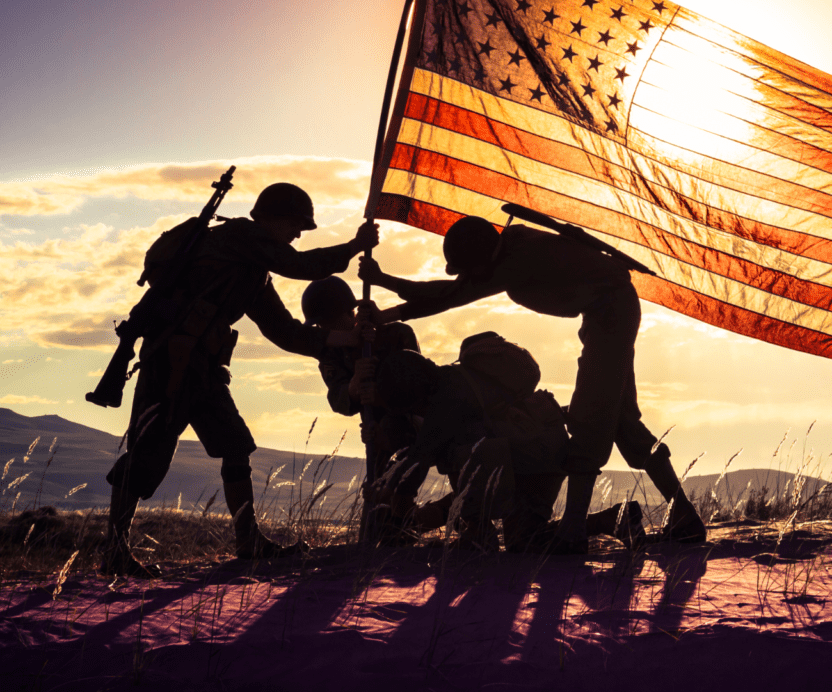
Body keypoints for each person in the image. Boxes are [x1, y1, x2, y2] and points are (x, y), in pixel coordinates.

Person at [359, 216, 705, 553]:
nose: (466, 275)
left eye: (466, 267)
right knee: (624, 423)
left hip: (610, 318)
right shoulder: (509, 253)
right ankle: (685, 518)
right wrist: (387, 312)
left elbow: (452, 294)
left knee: (591, 420)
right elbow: (456, 290)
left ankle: (572, 531)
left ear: (480, 256)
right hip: (605, 318)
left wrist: (385, 283)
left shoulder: (517, 260)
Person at [103, 182, 378, 577]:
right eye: (295, 224)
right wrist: (354, 246)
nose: (297, 234)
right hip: (171, 362)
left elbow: (287, 333)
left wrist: (346, 339)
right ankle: (114, 550)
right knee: (148, 453)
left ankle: (248, 540)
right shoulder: (240, 237)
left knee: (235, 445)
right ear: (269, 217)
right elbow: (302, 266)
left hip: (204, 370)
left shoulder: (252, 271)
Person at [368, 339, 644, 553]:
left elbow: (418, 465)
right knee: (527, 541)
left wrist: (399, 518)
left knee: (463, 454)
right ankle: (613, 520)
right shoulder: (455, 380)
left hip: (534, 460)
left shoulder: (446, 402)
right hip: (538, 453)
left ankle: (477, 533)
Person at [301, 275, 426, 542]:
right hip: (375, 429)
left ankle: (405, 523)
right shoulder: (331, 352)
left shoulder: (396, 334)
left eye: (330, 322)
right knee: (375, 488)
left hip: (413, 423)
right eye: (322, 324)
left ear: (351, 313)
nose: (325, 328)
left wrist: (379, 385)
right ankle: (384, 534)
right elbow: (339, 399)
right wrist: (354, 386)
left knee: (401, 463)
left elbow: (418, 387)